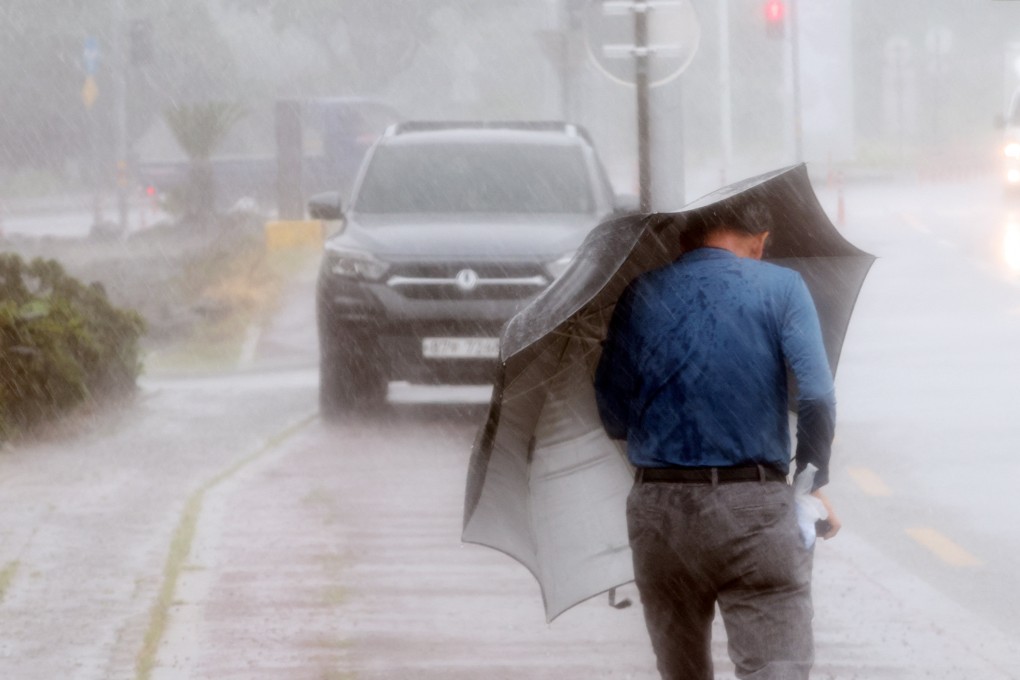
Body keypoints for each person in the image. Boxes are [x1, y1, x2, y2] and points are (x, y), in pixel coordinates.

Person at [593, 200, 840, 680]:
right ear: (761, 239)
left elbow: (612, 411)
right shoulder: (782, 288)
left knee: (681, 671)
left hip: (660, 513)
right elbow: (816, 393)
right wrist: (810, 482)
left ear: (682, 240)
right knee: (777, 670)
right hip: (755, 508)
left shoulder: (641, 292)